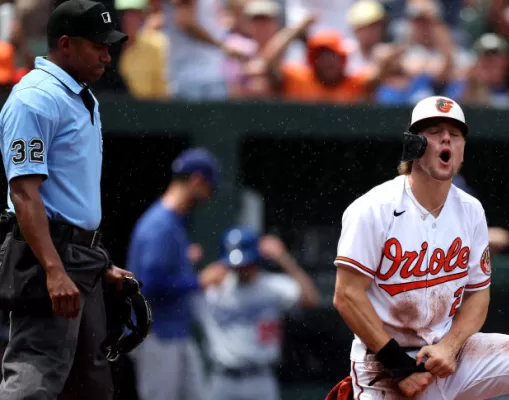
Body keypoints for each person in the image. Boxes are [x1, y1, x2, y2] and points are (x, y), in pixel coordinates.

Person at [330, 96, 509, 399]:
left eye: (455, 135)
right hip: (384, 362)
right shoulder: (374, 208)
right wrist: (397, 366)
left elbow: (478, 293)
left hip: (446, 352)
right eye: (434, 131)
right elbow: (346, 295)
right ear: (413, 144)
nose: (446, 139)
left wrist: (450, 346)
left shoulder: (470, 210)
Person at [0, 1, 133, 398]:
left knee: (90, 382)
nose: (108, 55)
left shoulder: (77, 95)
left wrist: (100, 262)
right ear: (66, 44)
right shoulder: (35, 98)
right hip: (46, 256)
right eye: (99, 46)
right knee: (35, 374)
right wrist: (55, 270)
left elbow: (73, 199)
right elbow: (24, 194)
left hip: (79, 256)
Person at [126, 148, 228, 400]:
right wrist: (199, 281)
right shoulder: (160, 224)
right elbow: (148, 284)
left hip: (175, 332)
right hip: (157, 334)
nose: (209, 195)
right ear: (196, 180)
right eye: (209, 188)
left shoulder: (173, 221)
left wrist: (183, 260)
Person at [193, 225, 320, 400]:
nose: (242, 268)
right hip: (223, 378)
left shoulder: (272, 286)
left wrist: (284, 259)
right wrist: (200, 280)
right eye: (237, 264)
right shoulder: (215, 289)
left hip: (261, 378)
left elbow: (311, 299)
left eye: (247, 262)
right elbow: (172, 301)